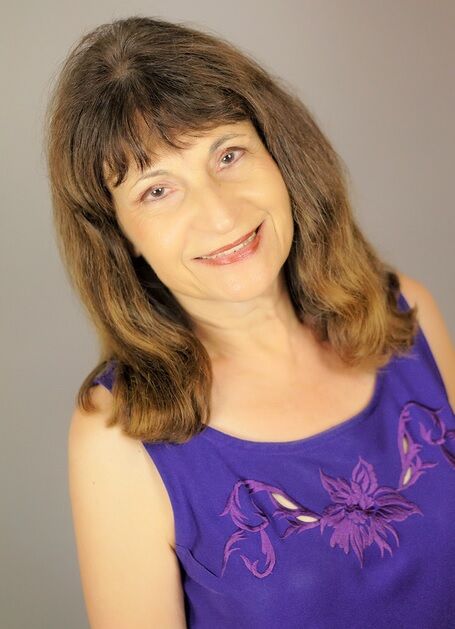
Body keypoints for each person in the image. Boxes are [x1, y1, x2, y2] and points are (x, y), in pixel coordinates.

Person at [44, 16, 455, 629]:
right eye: (157, 191)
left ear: (278, 153)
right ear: (118, 235)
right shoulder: (118, 436)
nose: (220, 213)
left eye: (228, 154)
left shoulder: (406, 315)